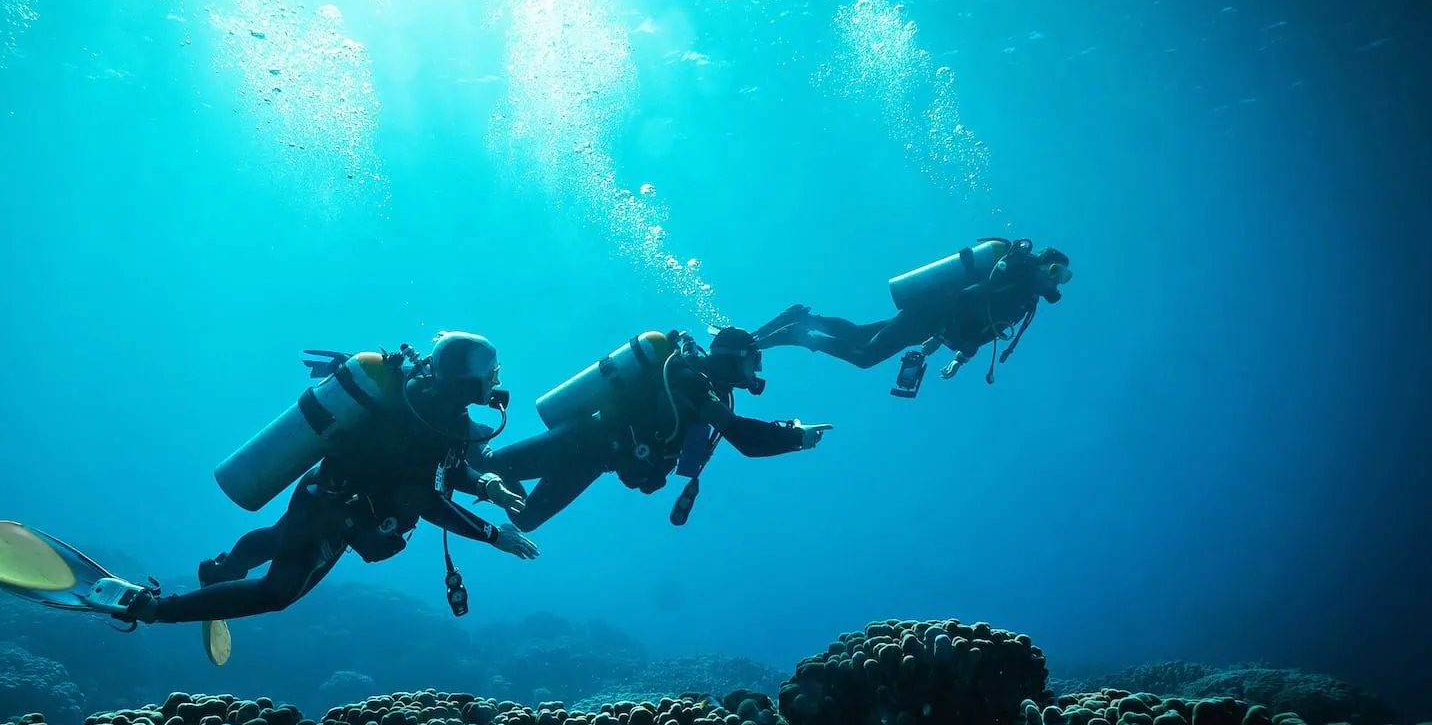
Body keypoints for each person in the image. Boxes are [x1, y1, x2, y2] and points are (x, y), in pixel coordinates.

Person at [111, 332, 540, 649]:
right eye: (490, 373)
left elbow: (446, 470)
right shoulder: (426, 421)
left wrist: (487, 485)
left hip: (323, 495)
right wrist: (492, 535)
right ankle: (154, 609)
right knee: (276, 593)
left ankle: (219, 572)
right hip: (336, 514)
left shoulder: (434, 408)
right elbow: (426, 500)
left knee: (281, 537)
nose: (496, 380)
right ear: (466, 382)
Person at [477, 327, 831, 531]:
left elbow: (688, 456)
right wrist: (795, 436)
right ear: (737, 358)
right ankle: (467, 435)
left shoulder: (707, 389)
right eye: (755, 361)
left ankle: (480, 460)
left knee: (525, 521)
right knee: (484, 467)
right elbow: (745, 439)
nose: (757, 371)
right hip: (582, 438)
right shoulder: (689, 379)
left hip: (596, 460)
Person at [753, 238, 1071, 394]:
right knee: (865, 356)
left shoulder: (1023, 301)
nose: (1057, 281)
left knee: (860, 334)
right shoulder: (1016, 272)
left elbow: (983, 328)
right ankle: (796, 334)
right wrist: (943, 339)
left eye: (1063, 278)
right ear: (1041, 264)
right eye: (1055, 272)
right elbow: (970, 298)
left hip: (931, 320)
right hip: (931, 315)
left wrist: (959, 359)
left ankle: (801, 318)